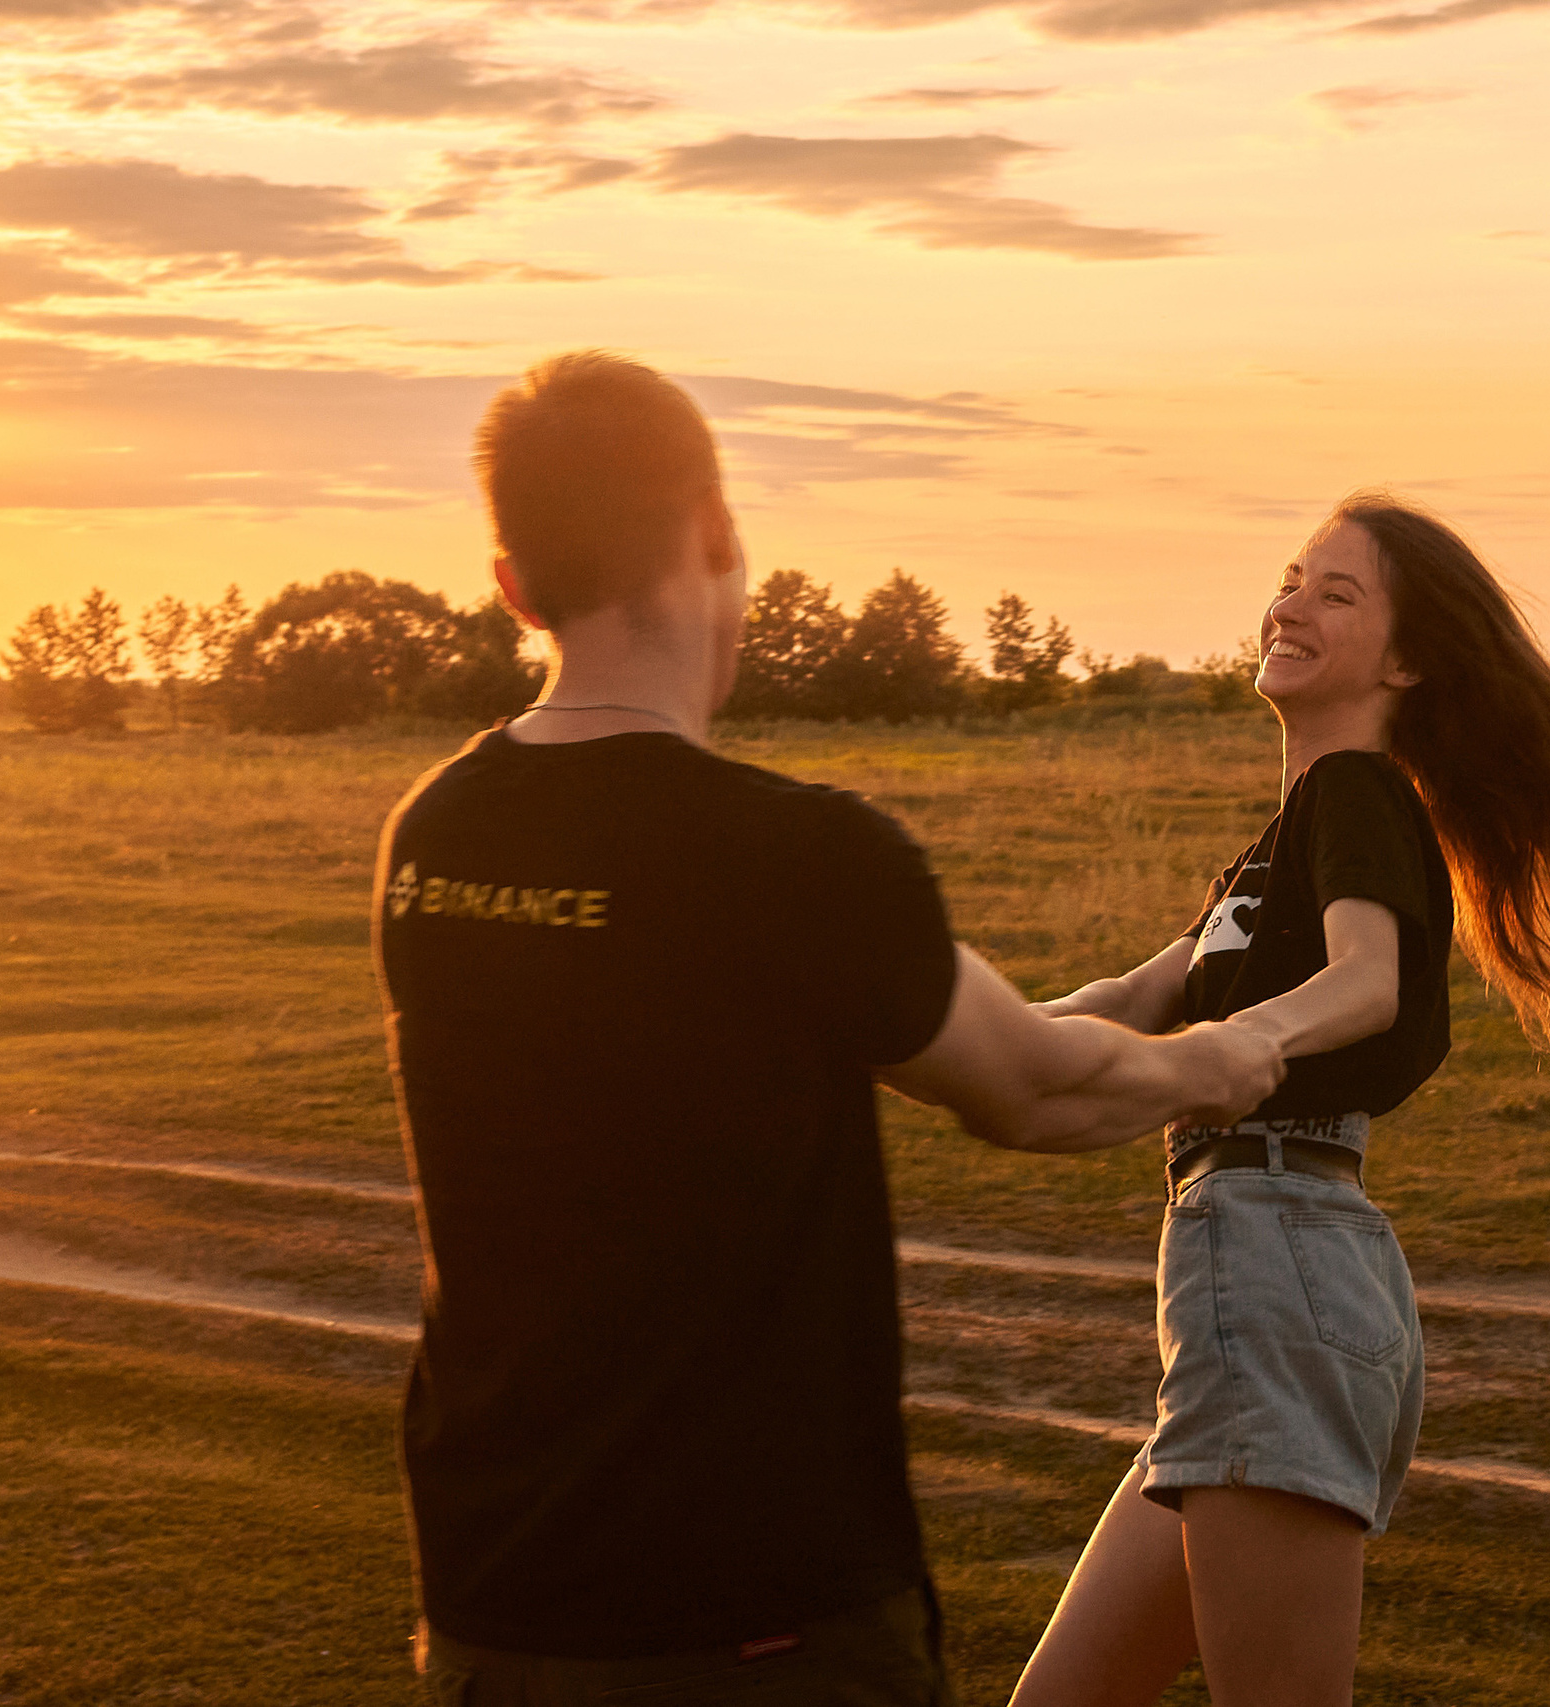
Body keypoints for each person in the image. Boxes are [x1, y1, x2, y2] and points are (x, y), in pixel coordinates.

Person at [372, 350, 1288, 1706]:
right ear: (715, 537)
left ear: (513, 584)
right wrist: (1227, 1055)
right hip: (756, 1616)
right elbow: (1032, 1088)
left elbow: (936, 1021)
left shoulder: (433, 834)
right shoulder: (801, 854)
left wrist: (1142, 989)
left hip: (493, 1603)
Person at [1008, 494, 1550, 1707]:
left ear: (1403, 661)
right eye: (1292, 577)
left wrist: (1236, 1047)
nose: (1289, 604)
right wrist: (910, 1027)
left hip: (1280, 1267)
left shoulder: (1358, 792)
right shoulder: (1278, 843)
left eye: (1335, 593)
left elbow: (1366, 985)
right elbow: (1132, 994)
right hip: (1259, 1283)